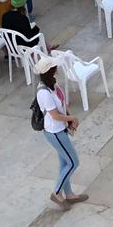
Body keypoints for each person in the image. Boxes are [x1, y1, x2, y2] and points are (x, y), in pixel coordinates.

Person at [33, 56, 87, 207]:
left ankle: (69, 194)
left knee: (65, 162)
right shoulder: (43, 92)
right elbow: (55, 115)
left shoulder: (53, 85)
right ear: (50, 71)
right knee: (73, 162)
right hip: (54, 132)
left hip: (60, 129)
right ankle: (57, 192)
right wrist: (72, 118)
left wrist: (69, 119)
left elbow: (62, 104)